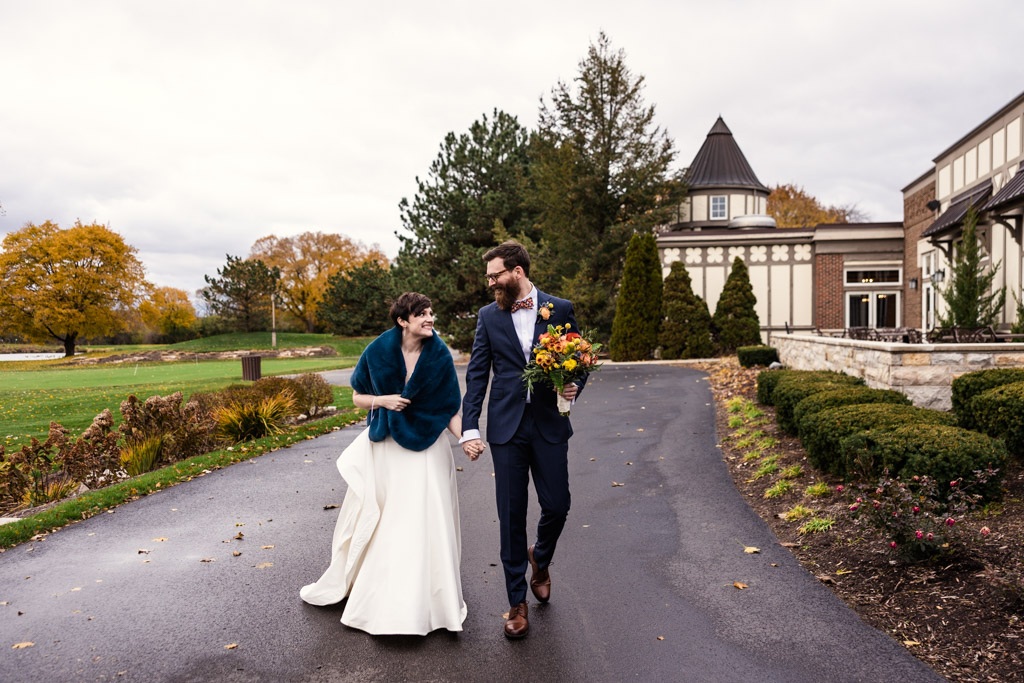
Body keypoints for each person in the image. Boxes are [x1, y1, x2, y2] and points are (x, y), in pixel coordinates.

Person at [300, 292, 467, 635]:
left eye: (431, 312)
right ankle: (385, 597)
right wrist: (383, 400)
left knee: (427, 519)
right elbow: (357, 397)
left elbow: (449, 406)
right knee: (390, 520)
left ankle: (432, 602)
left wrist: (466, 438)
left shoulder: (439, 355)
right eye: (422, 314)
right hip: (387, 446)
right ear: (403, 321)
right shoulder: (377, 351)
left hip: (428, 447)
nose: (430, 319)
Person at [460, 241, 587, 639]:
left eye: (495, 275)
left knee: (558, 504)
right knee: (512, 514)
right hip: (506, 427)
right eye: (489, 278)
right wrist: (470, 426)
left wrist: (574, 385)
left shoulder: (559, 309)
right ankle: (516, 601)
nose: (491, 283)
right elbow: (478, 374)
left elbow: (581, 358)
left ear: (517, 271)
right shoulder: (488, 316)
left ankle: (541, 556)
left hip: (549, 422)